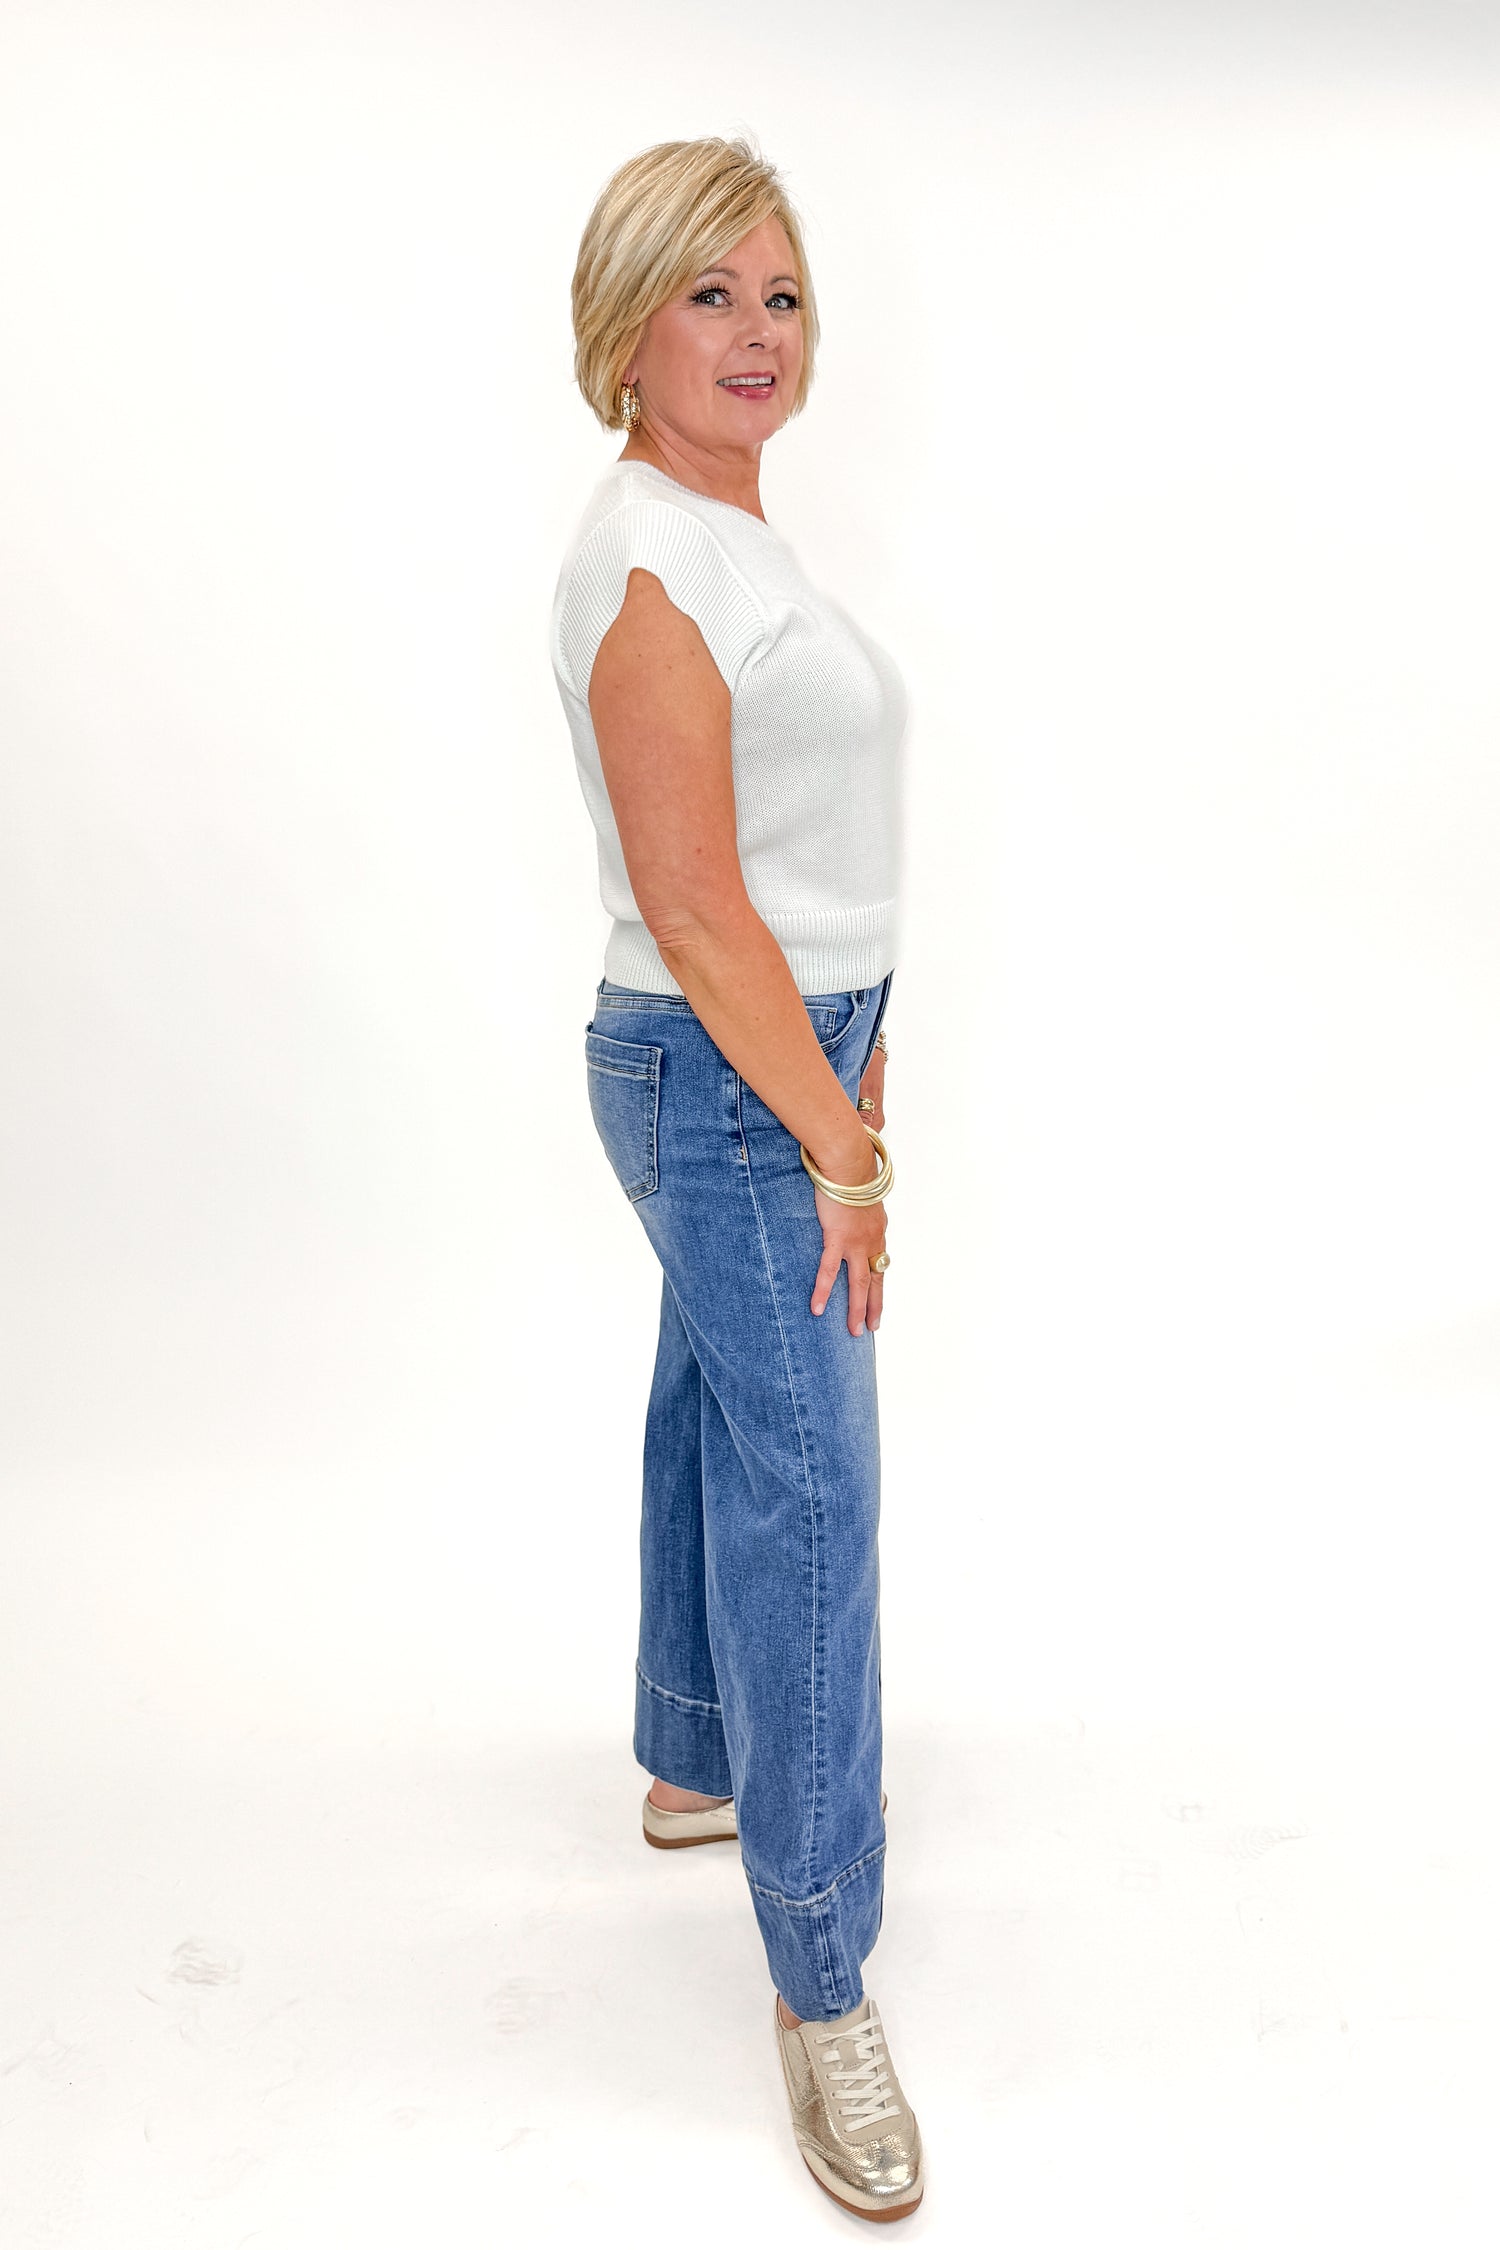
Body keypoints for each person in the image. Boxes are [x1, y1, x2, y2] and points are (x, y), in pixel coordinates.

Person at [549, 134, 922, 2223]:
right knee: (814, 1489)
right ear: (626, 327)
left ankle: (698, 1754)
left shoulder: (730, 537)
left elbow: (806, 860)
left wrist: (873, 1048)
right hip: (727, 1063)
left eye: (780, 294)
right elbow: (699, 912)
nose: (757, 332)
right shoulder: (649, 570)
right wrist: (841, 1132)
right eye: (712, 293)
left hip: (785, 1047)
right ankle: (822, 1967)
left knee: (724, 1398)